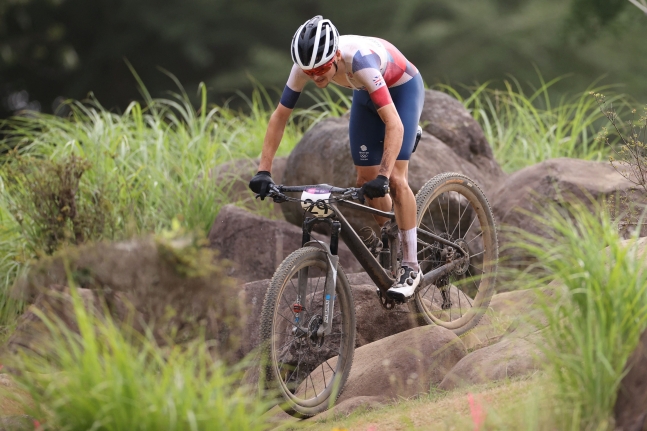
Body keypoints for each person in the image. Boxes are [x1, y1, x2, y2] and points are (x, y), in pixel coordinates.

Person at [249, 15, 425, 301]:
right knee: (363, 180)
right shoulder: (305, 66)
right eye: (310, 72)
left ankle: (411, 266)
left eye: (321, 69)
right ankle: (392, 235)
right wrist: (263, 171)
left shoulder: (360, 62)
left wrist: (383, 175)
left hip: (400, 89)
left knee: (392, 178)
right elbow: (280, 116)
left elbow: (394, 123)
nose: (316, 77)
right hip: (364, 93)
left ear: (336, 56)